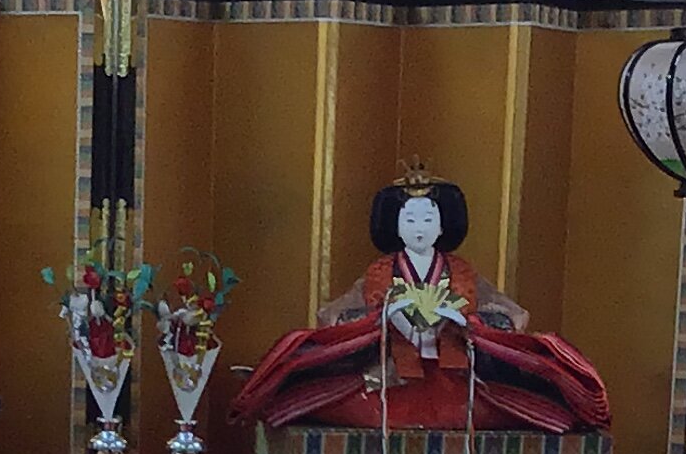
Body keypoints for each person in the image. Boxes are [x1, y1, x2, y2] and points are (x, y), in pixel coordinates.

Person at [231, 166, 612, 433]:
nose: (419, 228)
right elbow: (336, 316)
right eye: (409, 220)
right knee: (337, 398)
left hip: (455, 375)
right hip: (389, 375)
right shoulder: (381, 271)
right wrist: (384, 317)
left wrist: (465, 322)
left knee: (507, 403)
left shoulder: (461, 271)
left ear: (443, 225)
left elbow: (509, 316)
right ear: (395, 226)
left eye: (428, 219)